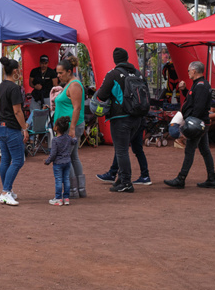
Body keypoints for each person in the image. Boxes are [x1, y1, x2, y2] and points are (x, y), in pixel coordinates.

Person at [96, 47, 143, 193]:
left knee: (121, 150)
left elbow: (102, 95)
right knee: (123, 149)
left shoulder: (113, 74)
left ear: (115, 60)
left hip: (120, 117)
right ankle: (121, 179)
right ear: (127, 57)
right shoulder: (137, 73)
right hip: (137, 117)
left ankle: (127, 182)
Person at [164, 61, 215, 189]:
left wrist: (189, 124)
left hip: (198, 123)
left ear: (194, 71)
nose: (188, 73)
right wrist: (184, 91)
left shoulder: (200, 86)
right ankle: (212, 179)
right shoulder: (200, 85)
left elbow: (197, 107)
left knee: (190, 150)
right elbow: (193, 101)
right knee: (205, 150)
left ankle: (181, 179)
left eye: (189, 70)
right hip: (201, 122)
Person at [0, 57, 28, 206]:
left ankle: (6, 190)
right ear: (15, 71)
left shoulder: (1, 85)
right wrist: (24, 128)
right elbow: (17, 111)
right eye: (19, 70)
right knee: (18, 160)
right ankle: (5, 191)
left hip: (0, 126)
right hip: (10, 127)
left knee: (6, 160)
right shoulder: (14, 88)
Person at [53, 56, 88, 195]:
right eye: (57, 73)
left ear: (69, 71)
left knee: (67, 157)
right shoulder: (70, 84)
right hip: (69, 126)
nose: (58, 75)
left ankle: (73, 190)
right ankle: (79, 189)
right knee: (73, 157)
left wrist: (72, 128)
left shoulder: (74, 85)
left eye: (61, 73)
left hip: (70, 126)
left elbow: (77, 108)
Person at [45, 116, 76, 206]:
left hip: (58, 163)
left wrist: (47, 161)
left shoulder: (55, 140)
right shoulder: (67, 138)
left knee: (58, 180)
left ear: (57, 128)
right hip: (67, 161)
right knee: (66, 179)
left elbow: (53, 154)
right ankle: (66, 198)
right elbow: (74, 141)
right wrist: (75, 138)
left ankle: (58, 198)